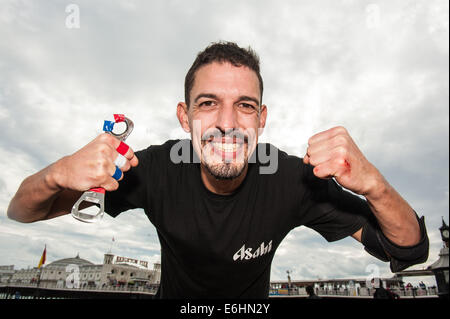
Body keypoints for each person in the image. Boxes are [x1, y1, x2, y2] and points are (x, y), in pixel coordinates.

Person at [7, 41, 429, 299]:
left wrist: (374, 184)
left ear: (261, 119)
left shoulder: (294, 180)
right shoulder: (150, 169)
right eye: (208, 103)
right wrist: (56, 172)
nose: (227, 122)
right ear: (184, 117)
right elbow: (22, 212)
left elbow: (406, 250)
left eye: (244, 105)